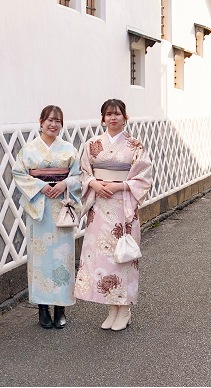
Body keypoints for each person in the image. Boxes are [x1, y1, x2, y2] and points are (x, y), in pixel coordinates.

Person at [75, 99, 153, 331]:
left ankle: (125, 309)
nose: (113, 118)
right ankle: (111, 308)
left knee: (123, 256)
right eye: (108, 114)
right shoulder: (92, 144)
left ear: (125, 117)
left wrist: (120, 186)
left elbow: (144, 177)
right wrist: (93, 184)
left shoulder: (135, 145)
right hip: (99, 207)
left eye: (117, 114)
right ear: (103, 118)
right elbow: (82, 172)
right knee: (104, 259)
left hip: (123, 206)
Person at [12, 105, 82, 329]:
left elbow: (79, 175)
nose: (53, 124)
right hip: (39, 208)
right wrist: (41, 186)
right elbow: (18, 173)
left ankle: (60, 307)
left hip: (62, 205)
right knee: (39, 258)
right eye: (49, 120)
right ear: (41, 121)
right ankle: (43, 308)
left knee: (63, 258)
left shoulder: (69, 149)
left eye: (58, 121)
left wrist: (64, 183)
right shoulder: (29, 149)